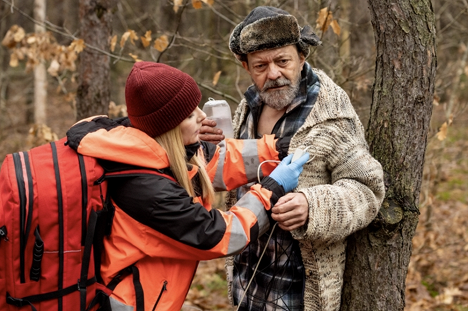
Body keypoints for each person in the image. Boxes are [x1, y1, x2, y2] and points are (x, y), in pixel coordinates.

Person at [65, 61, 309, 311]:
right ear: (169, 127)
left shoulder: (143, 144)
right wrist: (272, 189)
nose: (203, 117)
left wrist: (275, 150)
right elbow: (221, 235)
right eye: (191, 115)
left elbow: (211, 162)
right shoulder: (149, 192)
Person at [200, 6, 386, 311]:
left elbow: (367, 189)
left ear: (302, 56)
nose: (273, 74)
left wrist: (313, 207)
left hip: (300, 290)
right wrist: (205, 147)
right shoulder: (248, 107)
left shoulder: (330, 115)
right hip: (248, 278)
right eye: (260, 65)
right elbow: (226, 176)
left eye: (282, 61)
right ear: (245, 65)